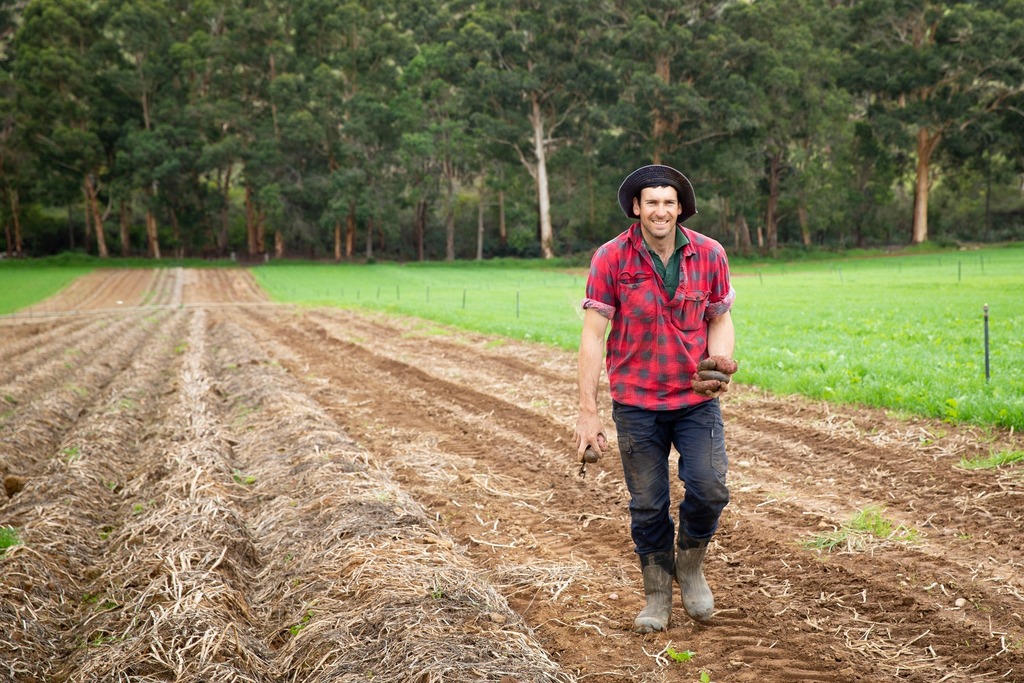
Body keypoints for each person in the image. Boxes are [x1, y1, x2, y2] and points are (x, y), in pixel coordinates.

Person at [574, 164, 737, 633]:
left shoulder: (710, 253)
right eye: (652, 202)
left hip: (695, 399)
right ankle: (657, 594)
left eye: (669, 202)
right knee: (647, 504)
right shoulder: (611, 258)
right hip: (637, 401)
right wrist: (588, 413)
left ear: (680, 207)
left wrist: (718, 362)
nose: (660, 210)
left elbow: (720, 317)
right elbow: (592, 336)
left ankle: (689, 565)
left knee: (709, 488)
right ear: (636, 208)